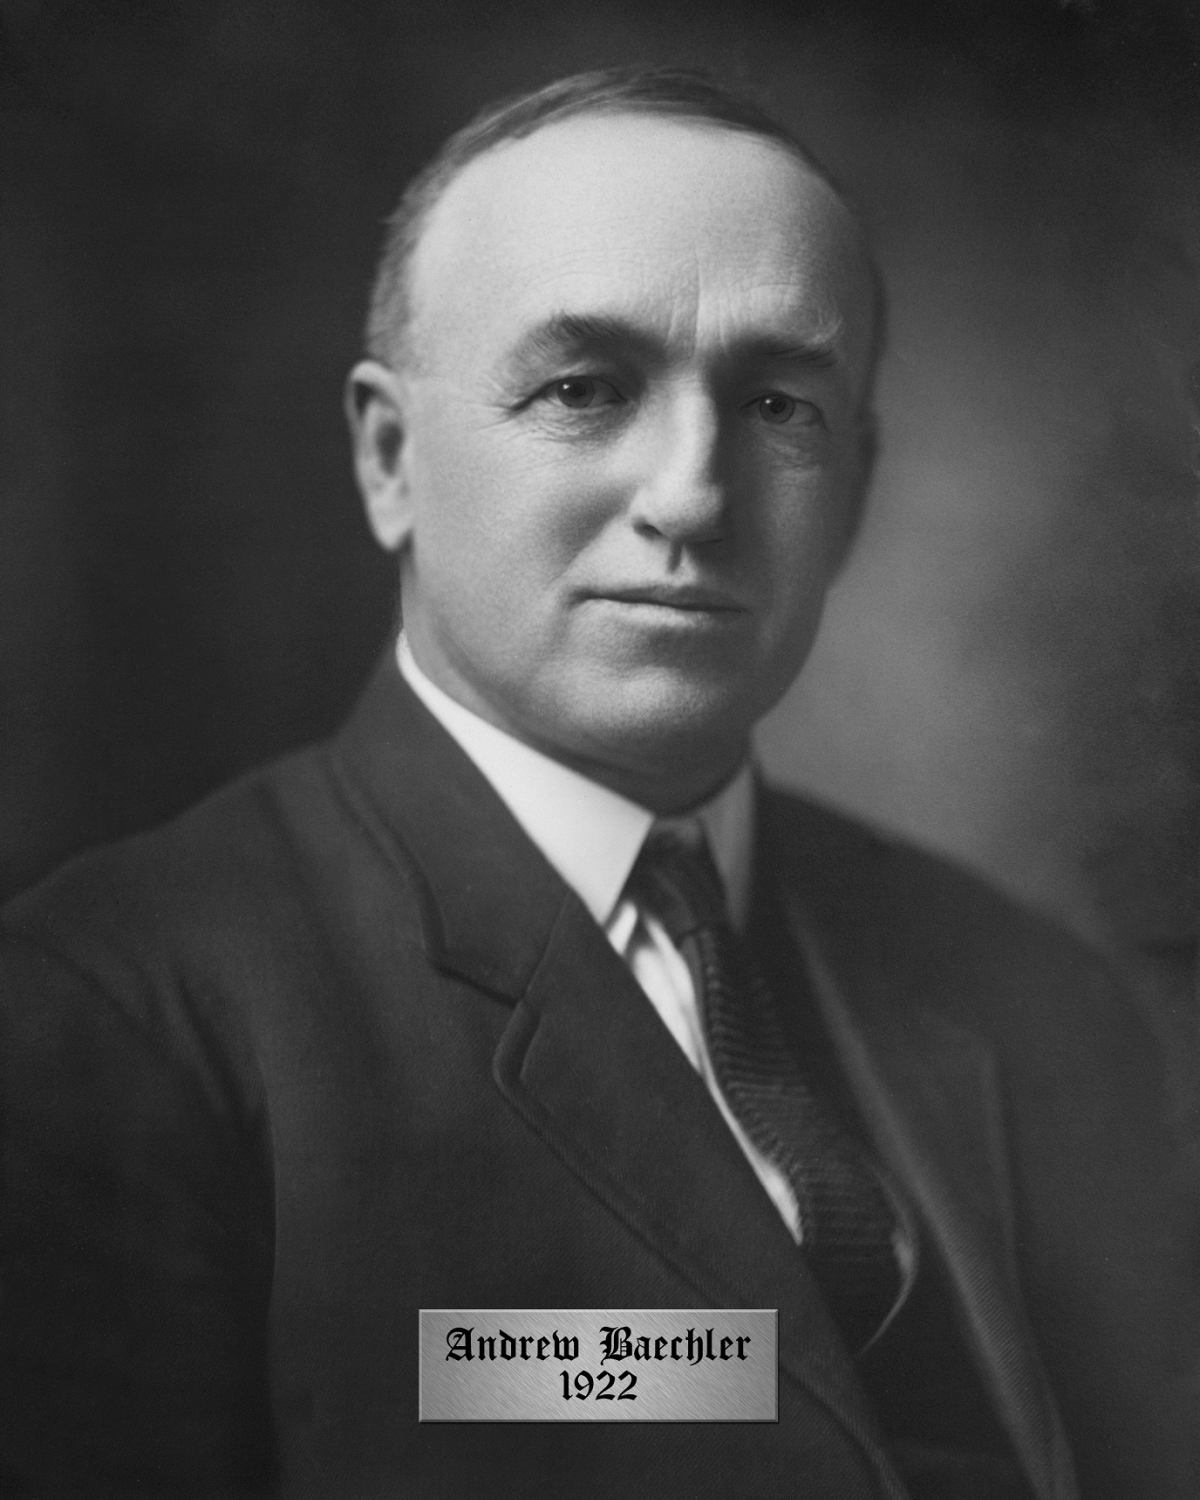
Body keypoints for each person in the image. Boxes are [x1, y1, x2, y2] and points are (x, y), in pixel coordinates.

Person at [0, 67, 1195, 1500]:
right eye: (583, 388)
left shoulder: (1040, 1002)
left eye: (778, 403)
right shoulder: (111, 1015)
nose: (692, 493)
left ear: (857, 495)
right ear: (390, 459)